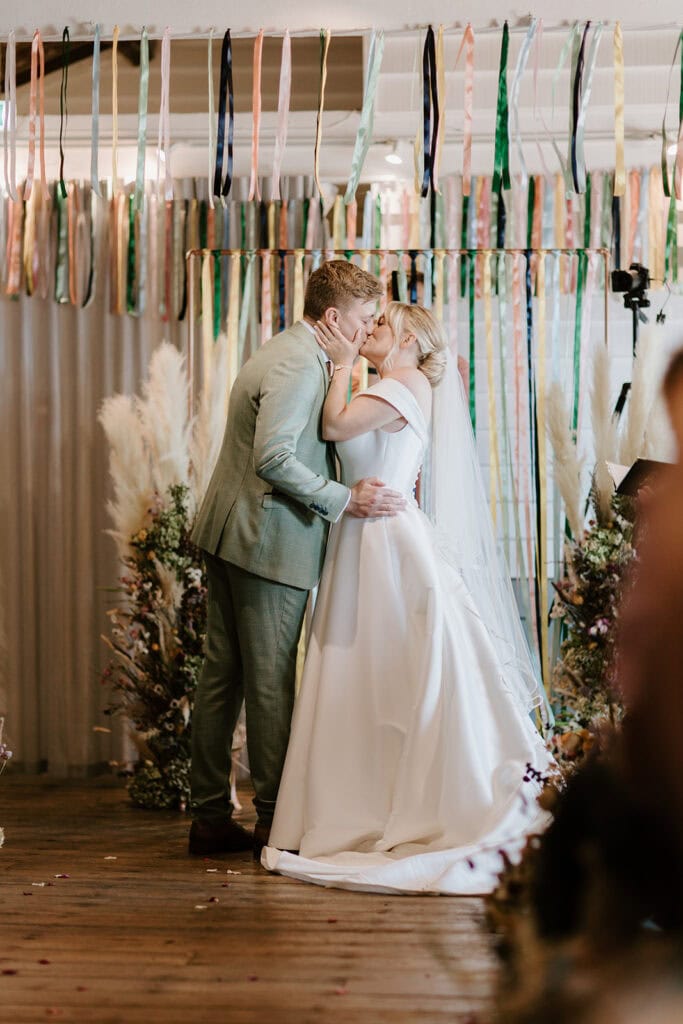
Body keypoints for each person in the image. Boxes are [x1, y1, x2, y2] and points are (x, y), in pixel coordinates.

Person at [263, 302, 555, 895]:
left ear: (410, 343)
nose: (368, 332)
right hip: (363, 536)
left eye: (380, 327)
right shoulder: (390, 381)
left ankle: (408, 802)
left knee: (391, 671)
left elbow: (335, 428)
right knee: (368, 676)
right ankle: (364, 795)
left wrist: (342, 363)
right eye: (368, 325)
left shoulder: (406, 380)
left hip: (386, 543)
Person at [188, 261, 407, 858]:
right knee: (269, 685)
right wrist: (344, 498)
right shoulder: (298, 364)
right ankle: (274, 821)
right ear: (333, 317)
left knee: (222, 679)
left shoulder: (287, 348)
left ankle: (208, 819)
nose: (368, 332)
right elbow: (275, 458)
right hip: (265, 541)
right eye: (364, 320)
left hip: (236, 533)